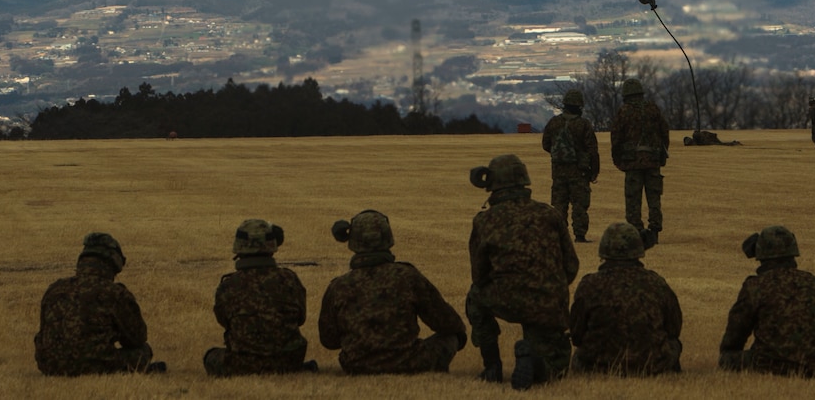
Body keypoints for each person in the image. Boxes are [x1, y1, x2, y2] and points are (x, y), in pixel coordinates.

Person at [467, 154, 579, 390]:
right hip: (548, 300)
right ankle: (536, 361)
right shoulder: (549, 214)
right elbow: (571, 266)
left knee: (474, 298)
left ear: (493, 184)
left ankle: (492, 366)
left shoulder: (485, 221)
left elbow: (479, 275)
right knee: (555, 368)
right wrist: (549, 288)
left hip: (504, 297)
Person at [318, 209, 467, 375]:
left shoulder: (338, 286)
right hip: (411, 362)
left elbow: (329, 340)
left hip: (356, 366)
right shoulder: (408, 276)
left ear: (352, 242)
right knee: (453, 336)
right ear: (388, 238)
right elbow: (448, 323)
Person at [35, 232, 165, 376]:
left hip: (50, 366)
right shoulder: (115, 293)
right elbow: (137, 338)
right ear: (113, 264)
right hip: (94, 366)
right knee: (143, 351)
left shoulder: (55, 289)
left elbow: (42, 335)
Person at [719, 225, 815, 378]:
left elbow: (735, 335)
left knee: (727, 359)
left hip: (770, 365)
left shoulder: (756, 286)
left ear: (761, 253)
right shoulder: (814, 283)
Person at [570, 222, 683, 376]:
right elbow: (674, 329)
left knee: (577, 355)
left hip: (600, 365)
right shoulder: (656, 283)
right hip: (652, 365)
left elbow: (577, 335)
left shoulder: (590, 285)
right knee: (675, 345)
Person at [205, 218, 314, 375]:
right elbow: (301, 318)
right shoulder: (289, 280)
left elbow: (224, 320)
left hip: (241, 363)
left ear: (239, 247)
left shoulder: (229, 285)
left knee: (210, 356)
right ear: (273, 246)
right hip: (289, 361)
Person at [610, 78, 670, 246]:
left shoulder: (624, 111)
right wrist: (662, 154)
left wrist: (617, 159)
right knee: (654, 198)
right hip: (652, 161)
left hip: (632, 163)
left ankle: (635, 231)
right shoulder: (653, 109)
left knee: (633, 199)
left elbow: (616, 137)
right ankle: (655, 230)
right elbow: (664, 132)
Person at [542, 88, 600, 243]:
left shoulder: (554, 123)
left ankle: (559, 236)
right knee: (579, 205)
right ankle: (580, 235)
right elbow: (592, 150)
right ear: (579, 106)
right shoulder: (583, 124)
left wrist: (559, 154)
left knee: (559, 204)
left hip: (558, 171)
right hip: (579, 172)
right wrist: (594, 171)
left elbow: (546, 144)